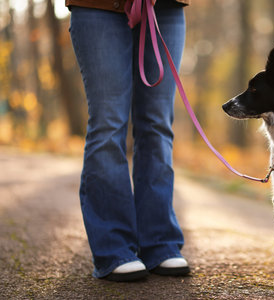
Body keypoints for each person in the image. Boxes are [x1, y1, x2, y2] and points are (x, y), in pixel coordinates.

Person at [65, 0, 190, 281]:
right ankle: (114, 248)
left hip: (165, 6)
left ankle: (159, 243)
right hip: (98, 5)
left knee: (158, 124)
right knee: (108, 122)